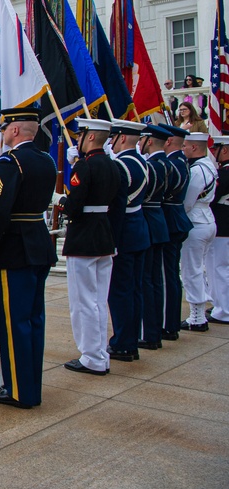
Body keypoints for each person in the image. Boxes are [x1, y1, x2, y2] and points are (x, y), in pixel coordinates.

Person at [0, 108, 57, 408]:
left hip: (15, 249)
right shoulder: (46, 160)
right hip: (39, 241)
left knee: (14, 324)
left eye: (4, 129)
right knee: (34, 320)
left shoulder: (10, 161)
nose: (2, 134)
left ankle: (17, 390)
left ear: (14, 130)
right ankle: (31, 386)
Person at [60, 118, 125, 376]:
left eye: (80, 136)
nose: (78, 140)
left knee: (83, 301)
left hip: (84, 236)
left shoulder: (84, 166)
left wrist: (63, 201)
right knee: (98, 299)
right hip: (103, 234)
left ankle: (91, 356)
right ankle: (99, 353)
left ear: (88, 137)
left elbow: (74, 204)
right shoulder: (112, 165)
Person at [105, 120, 151, 363]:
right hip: (139, 230)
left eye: (113, 138)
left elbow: (115, 203)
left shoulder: (121, 165)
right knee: (134, 290)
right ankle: (131, 340)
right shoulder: (143, 163)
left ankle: (123, 342)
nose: (110, 142)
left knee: (120, 291)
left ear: (121, 138)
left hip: (123, 232)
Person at [138, 125, 172, 350]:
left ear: (149, 141)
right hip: (159, 219)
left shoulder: (151, 165)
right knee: (155, 281)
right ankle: (155, 329)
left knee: (147, 281)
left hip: (149, 219)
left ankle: (150, 333)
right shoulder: (169, 163)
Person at [158, 124, 193, 340]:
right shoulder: (182, 161)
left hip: (170, 220)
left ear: (169, 141)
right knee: (170, 274)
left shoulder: (172, 163)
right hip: (176, 218)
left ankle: (167, 322)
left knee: (166, 274)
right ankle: (170, 321)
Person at [180, 132, 217, 331]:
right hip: (206, 219)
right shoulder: (209, 165)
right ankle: (199, 312)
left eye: (185, 146)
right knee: (198, 268)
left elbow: (187, 201)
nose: (183, 148)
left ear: (194, 147)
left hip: (196, 221)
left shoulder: (197, 170)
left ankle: (197, 317)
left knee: (191, 270)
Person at [206, 135, 229, 325]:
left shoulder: (224, 174)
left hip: (223, 225)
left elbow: (211, 198)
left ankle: (223, 310)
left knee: (219, 269)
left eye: (217, 149)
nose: (213, 152)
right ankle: (221, 304)